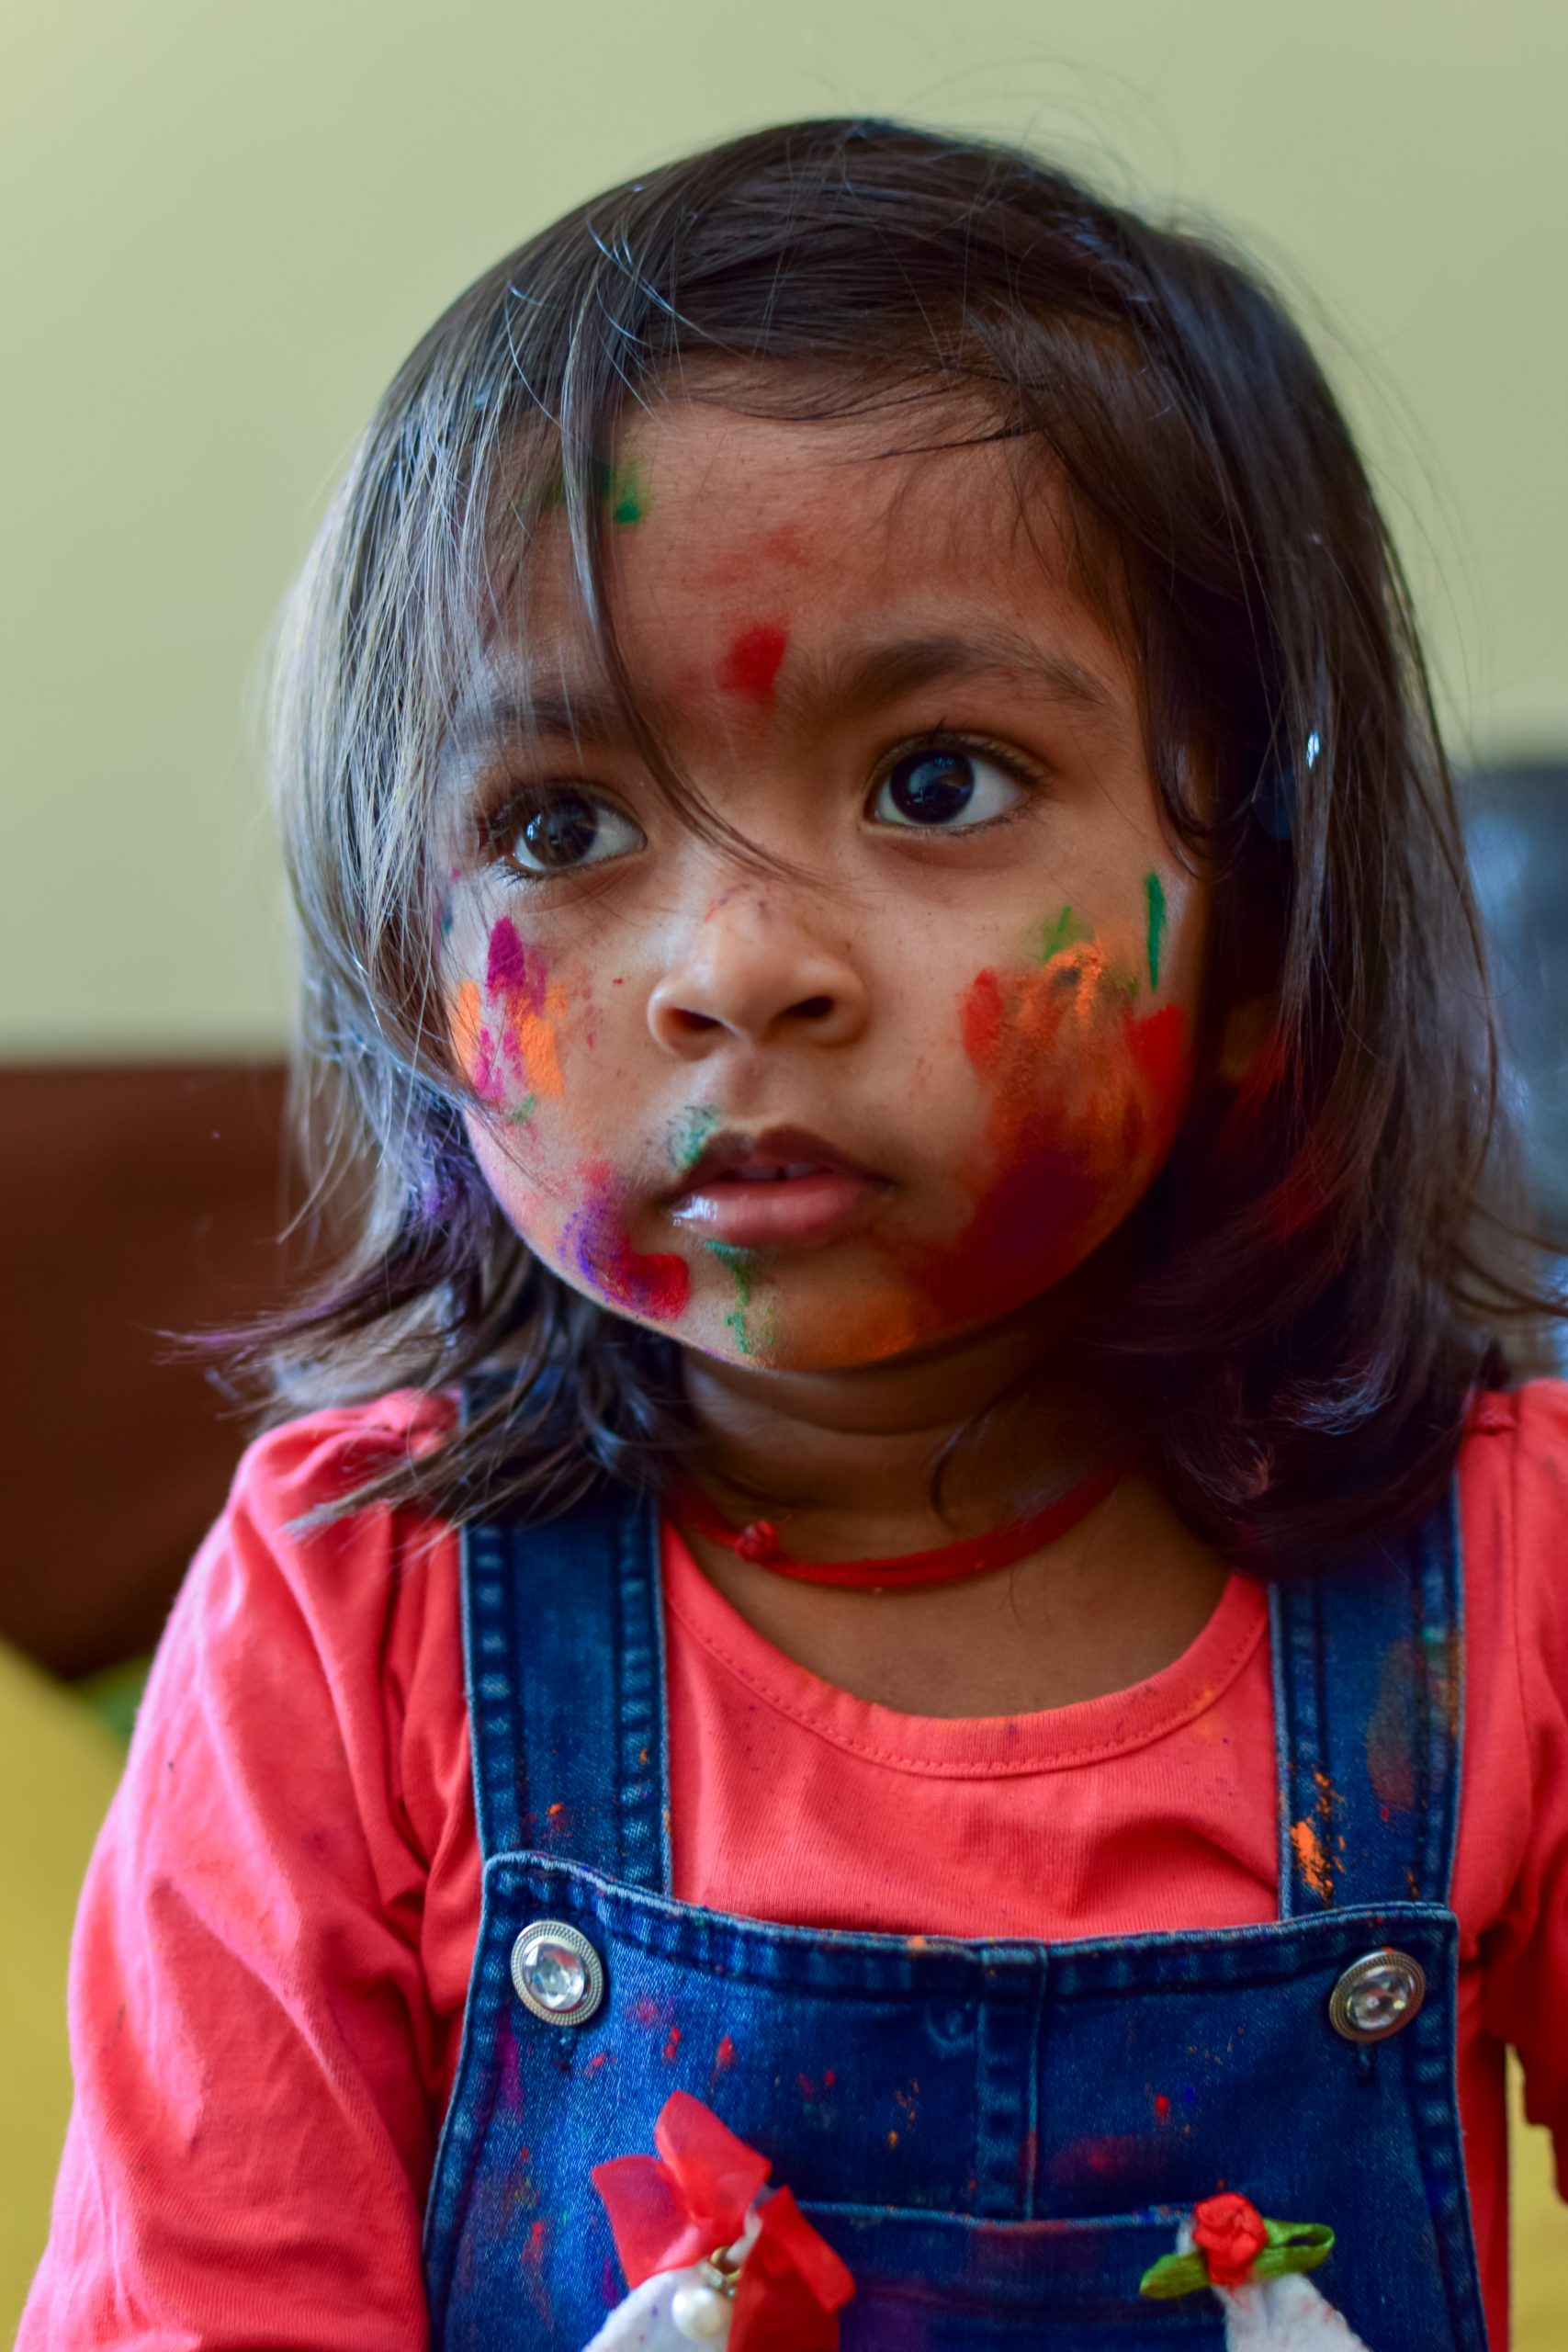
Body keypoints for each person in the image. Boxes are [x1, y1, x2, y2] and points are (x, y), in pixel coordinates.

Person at [20, 118, 1567, 2352]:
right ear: (409, 968)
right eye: (560, 821)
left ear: (1255, 925)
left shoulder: (1499, 1578)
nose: (733, 961)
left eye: (934, 776)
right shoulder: (356, 1611)